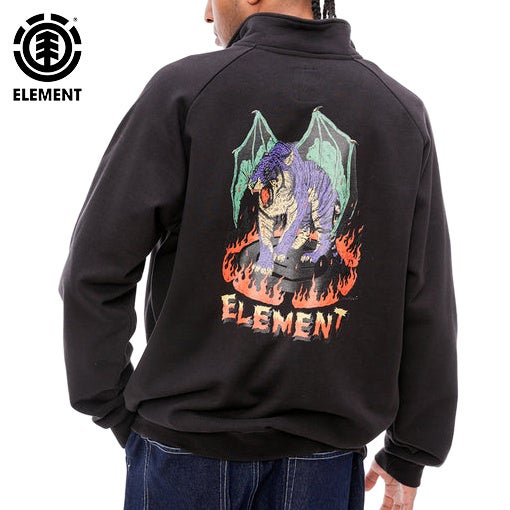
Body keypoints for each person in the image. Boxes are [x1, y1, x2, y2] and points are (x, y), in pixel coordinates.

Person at [58, 0, 458, 508]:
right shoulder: (398, 111)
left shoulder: (186, 91)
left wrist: (111, 405)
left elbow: (95, 268)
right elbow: (425, 297)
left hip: (183, 452)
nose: (207, 14)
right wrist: (411, 450)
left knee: (304, 229)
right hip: (324, 464)